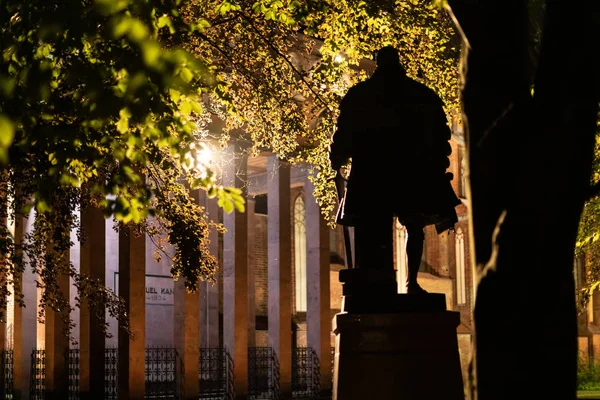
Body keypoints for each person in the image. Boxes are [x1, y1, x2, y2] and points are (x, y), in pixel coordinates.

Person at [329, 46, 460, 295]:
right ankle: (412, 283)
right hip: (412, 172)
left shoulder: (360, 95)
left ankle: (376, 284)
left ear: (378, 63)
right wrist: (436, 165)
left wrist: (337, 157)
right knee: (414, 223)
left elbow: (345, 133)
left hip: (373, 173)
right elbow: (441, 137)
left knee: (372, 225)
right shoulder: (423, 95)